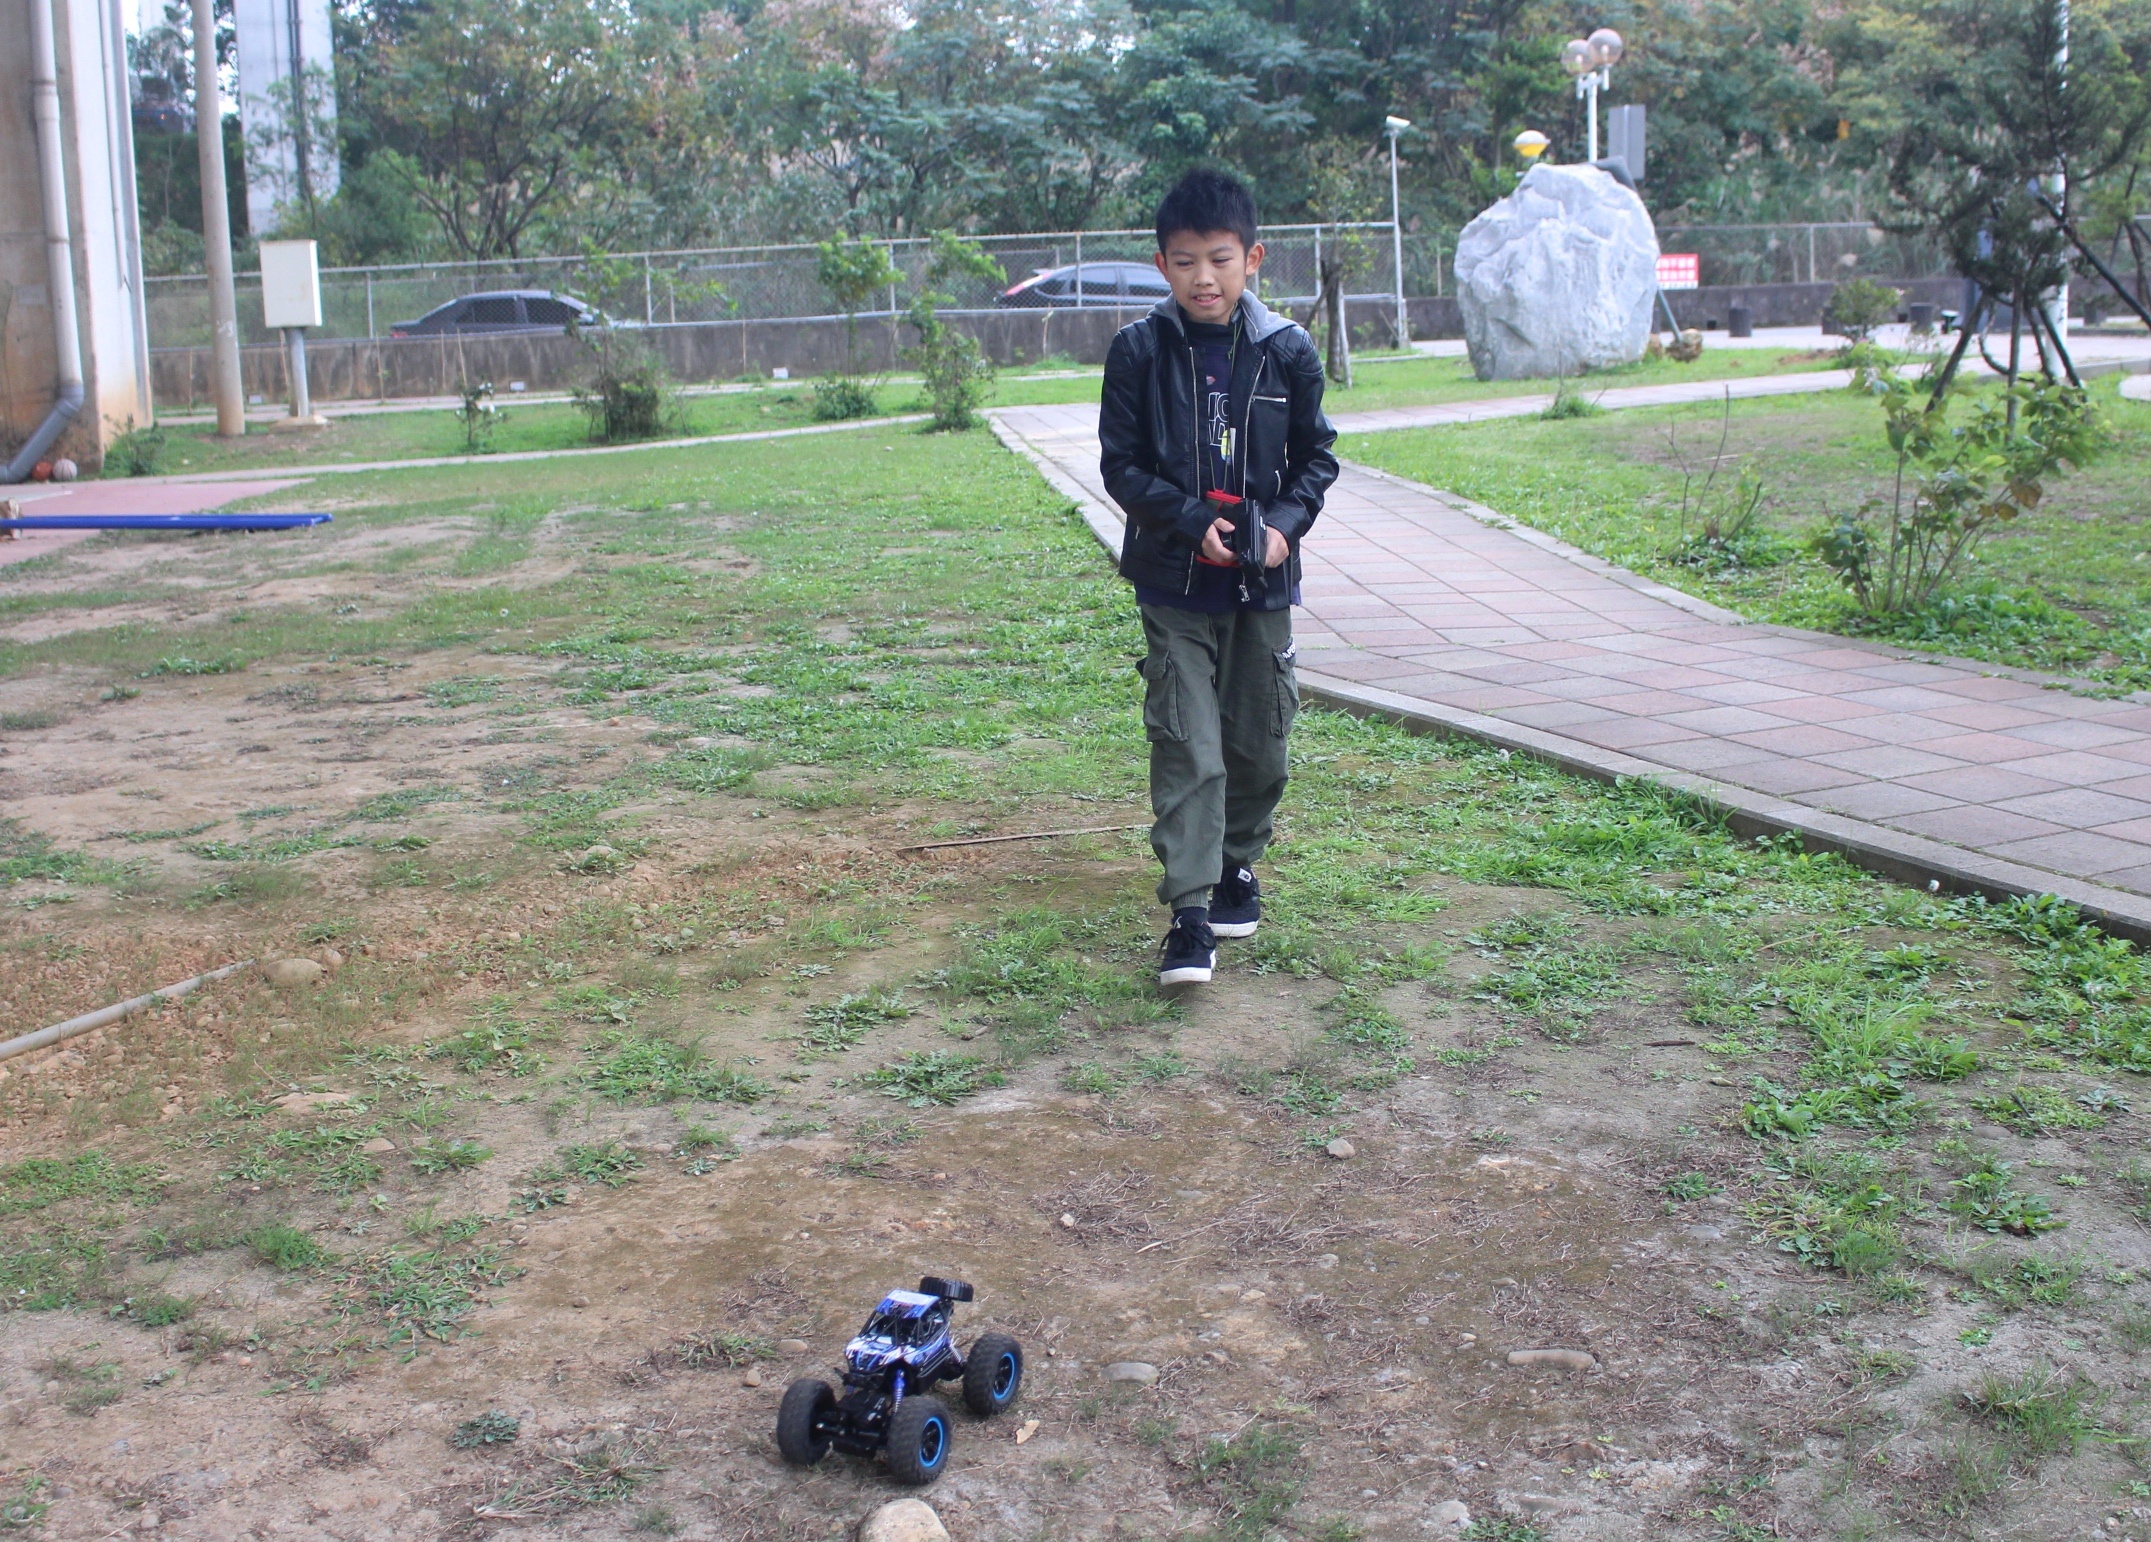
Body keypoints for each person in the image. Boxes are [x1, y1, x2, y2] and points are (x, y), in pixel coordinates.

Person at [1098, 167, 1339, 987]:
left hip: (1261, 588)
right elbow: (1121, 468)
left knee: (1258, 743)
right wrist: (1190, 522)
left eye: (1221, 259)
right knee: (1189, 746)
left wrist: (1282, 529)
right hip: (1173, 587)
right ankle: (1190, 914)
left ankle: (1238, 863)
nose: (1204, 277)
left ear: (1254, 259)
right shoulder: (1138, 351)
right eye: (1185, 260)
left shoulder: (1287, 351)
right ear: (1160, 264)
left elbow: (1317, 460)